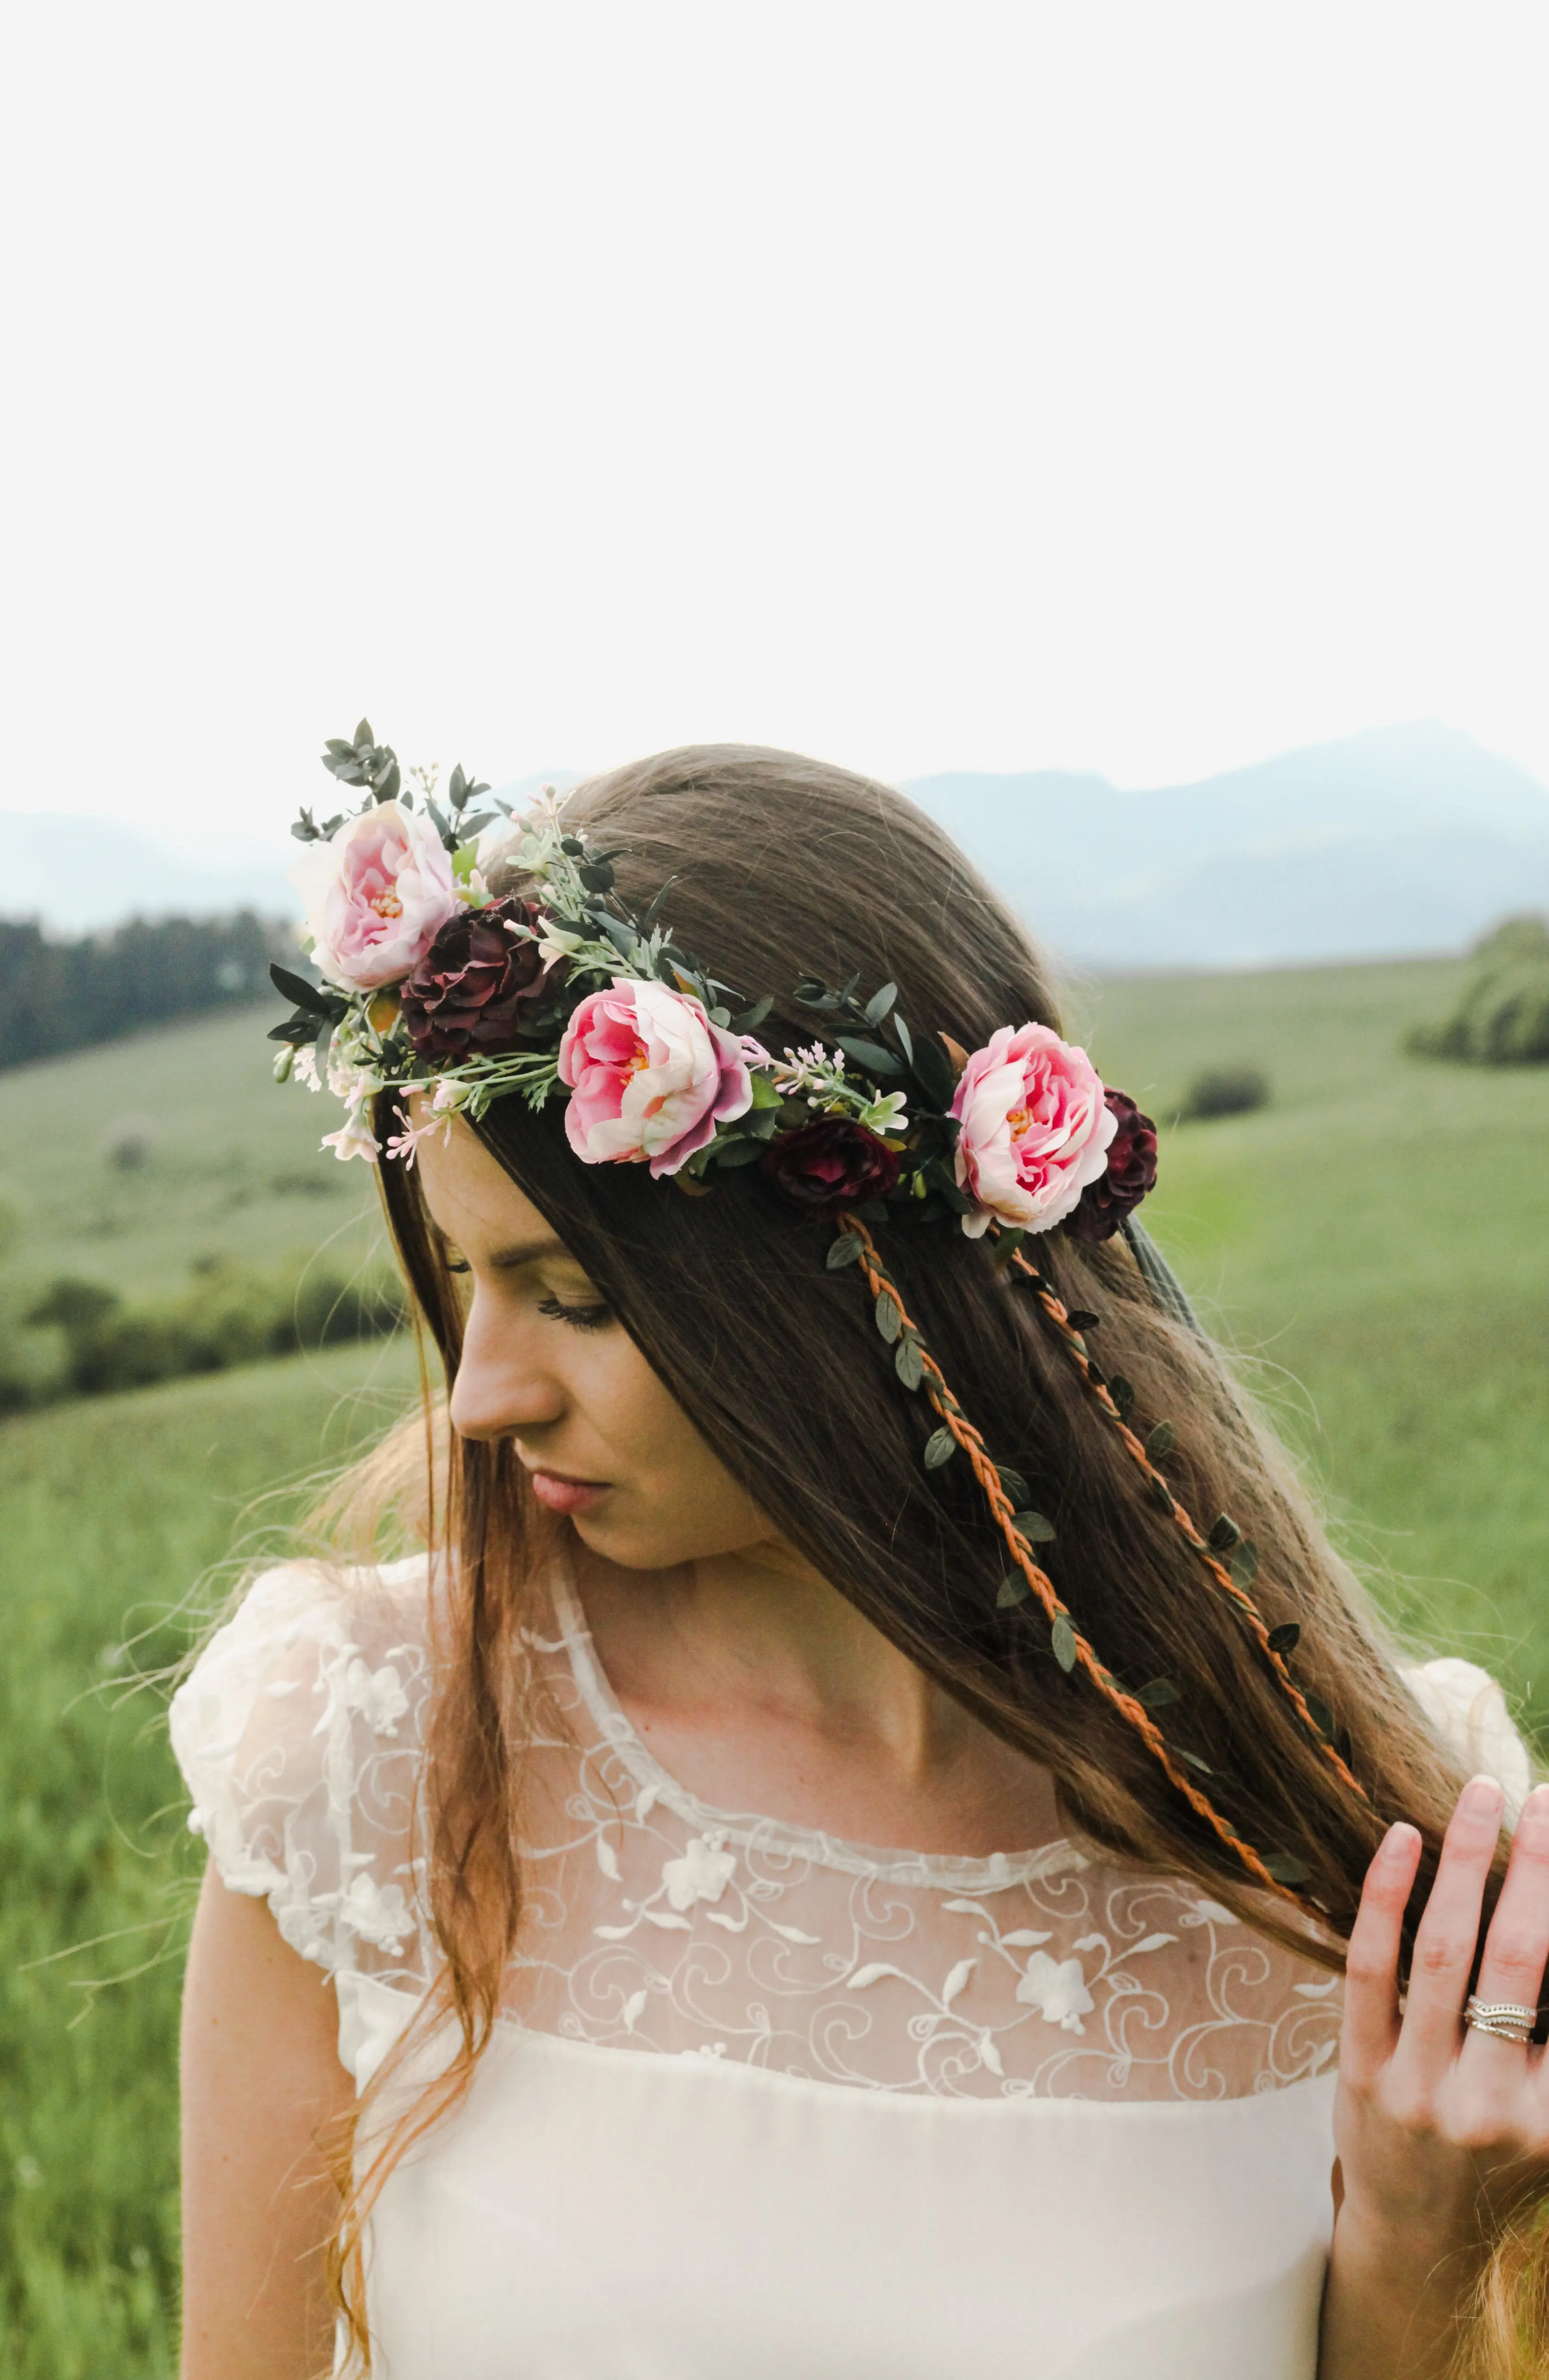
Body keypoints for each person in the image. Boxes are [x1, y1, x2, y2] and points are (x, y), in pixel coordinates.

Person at [172, 738, 1549, 2380]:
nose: (480, 1396)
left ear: (850, 1271)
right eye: (465, 1283)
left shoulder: (1382, 1853)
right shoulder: (362, 1745)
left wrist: (1416, 2251)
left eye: (580, 1297)